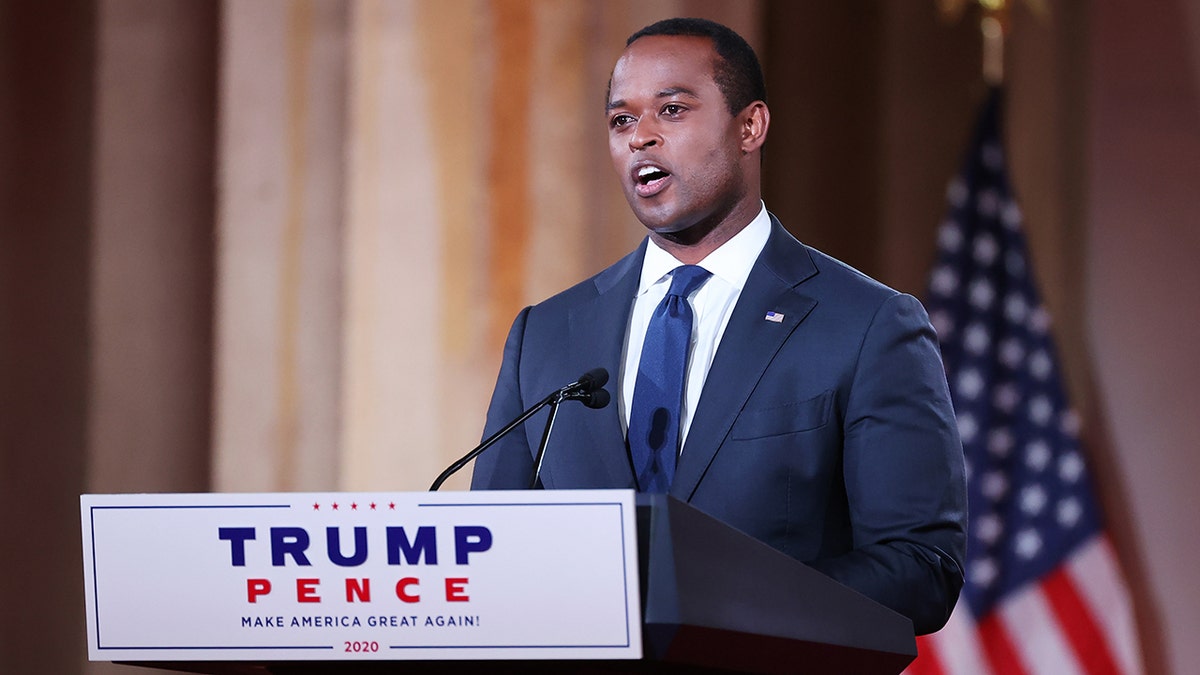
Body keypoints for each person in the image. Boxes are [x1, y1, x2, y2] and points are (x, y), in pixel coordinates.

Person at [470, 17, 966, 635]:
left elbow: (921, 567)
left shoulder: (867, 325)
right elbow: (488, 555)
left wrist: (723, 602)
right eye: (622, 121)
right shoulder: (546, 333)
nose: (641, 138)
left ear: (750, 127)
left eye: (671, 111)